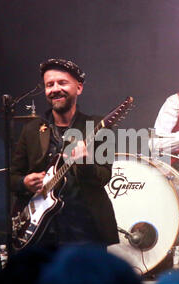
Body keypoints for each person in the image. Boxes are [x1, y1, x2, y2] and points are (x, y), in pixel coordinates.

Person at [10, 58, 119, 250]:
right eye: (49, 85)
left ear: (79, 88)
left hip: (84, 230)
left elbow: (104, 176)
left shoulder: (97, 127)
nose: (55, 89)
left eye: (62, 82)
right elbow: (12, 177)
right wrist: (24, 182)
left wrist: (85, 163)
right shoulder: (31, 130)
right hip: (40, 232)